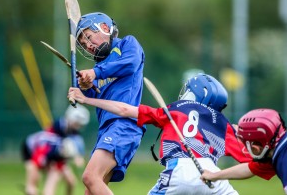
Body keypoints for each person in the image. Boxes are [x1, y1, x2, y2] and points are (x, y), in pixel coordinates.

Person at [68, 73, 252, 195]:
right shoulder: (223, 123)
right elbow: (251, 161)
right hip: (213, 174)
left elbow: (124, 109)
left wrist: (87, 99)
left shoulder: (174, 109)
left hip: (178, 170)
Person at [72, 12, 145, 195]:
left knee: (90, 177)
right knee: (91, 190)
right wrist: (86, 86)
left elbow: (130, 63)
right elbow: (95, 93)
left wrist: (96, 74)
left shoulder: (127, 44)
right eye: (83, 44)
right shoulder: (99, 66)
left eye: (88, 37)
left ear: (105, 28)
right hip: (107, 127)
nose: (88, 45)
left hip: (123, 123)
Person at [200, 108, 287, 195]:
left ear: (255, 148)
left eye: (246, 143)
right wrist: (214, 176)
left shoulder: (283, 162)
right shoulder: (275, 152)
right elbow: (249, 169)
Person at [21, 104, 90, 195]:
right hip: (31, 150)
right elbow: (37, 161)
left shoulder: (71, 139)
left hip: (55, 156)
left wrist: (78, 156)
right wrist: (31, 187)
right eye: (77, 123)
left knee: (71, 182)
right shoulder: (48, 143)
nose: (78, 127)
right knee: (32, 186)